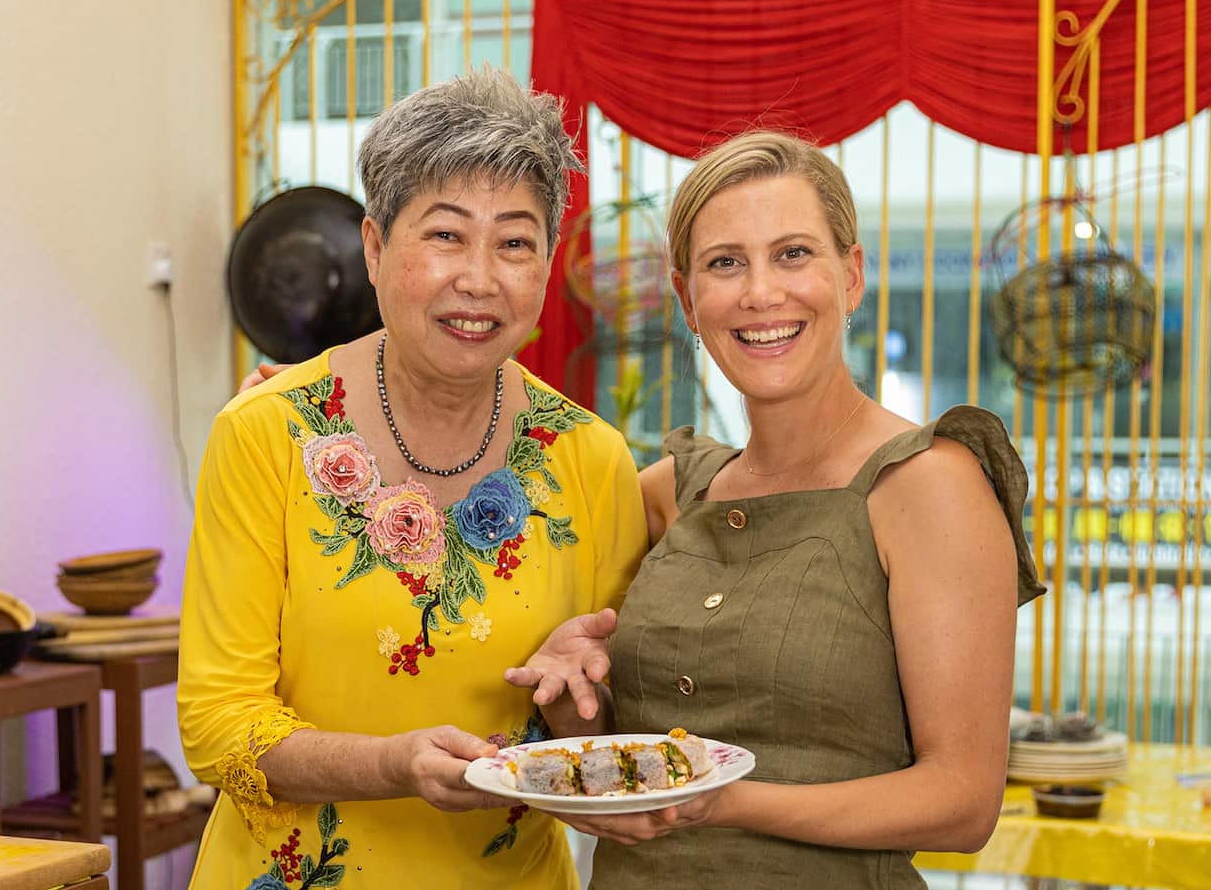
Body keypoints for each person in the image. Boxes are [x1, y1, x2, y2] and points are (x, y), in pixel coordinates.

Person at [503, 131, 1044, 890]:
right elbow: (630, 762)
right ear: (689, 300)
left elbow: (961, 800)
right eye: (726, 263)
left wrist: (725, 802)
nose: (761, 292)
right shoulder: (669, 492)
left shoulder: (930, 482)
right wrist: (572, 695)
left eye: (793, 253)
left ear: (851, 276)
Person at [178, 67, 648, 890]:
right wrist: (395, 764)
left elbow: (609, 735)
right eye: (445, 235)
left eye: (514, 241)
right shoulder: (267, 435)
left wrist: (579, 702)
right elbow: (218, 727)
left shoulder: (591, 457)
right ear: (373, 246)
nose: (480, 278)